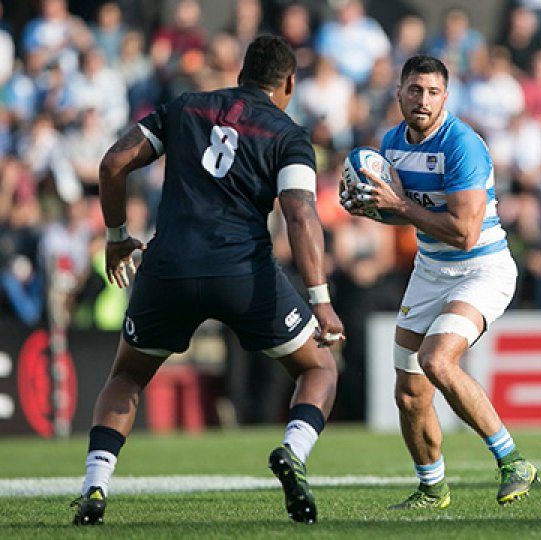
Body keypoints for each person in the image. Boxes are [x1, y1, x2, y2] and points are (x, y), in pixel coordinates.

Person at [71, 34, 344, 525]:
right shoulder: (287, 132)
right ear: (288, 83)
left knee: (128, 376)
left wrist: (115, 237)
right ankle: (294, 455)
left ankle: (94, 487)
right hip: (244, 272)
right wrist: (320, 299)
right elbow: (301, 215)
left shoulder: (186, 107)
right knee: (319, 369)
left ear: (241, 73)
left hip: (168, 268)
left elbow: (113, 163)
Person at [340, 55, 538, 508]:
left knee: (437, 360)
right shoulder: (390, 143)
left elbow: (465, 234)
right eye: (414, 90)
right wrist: (368, 207)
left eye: (432, 92)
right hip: (430, 272)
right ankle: (433, 488)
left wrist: (399, 207)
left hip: (482, 268)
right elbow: (397, 212)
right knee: (409, 393)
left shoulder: (462, 144)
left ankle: (513, 462)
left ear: (445, 97)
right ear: (400, 94)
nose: (423, 100)